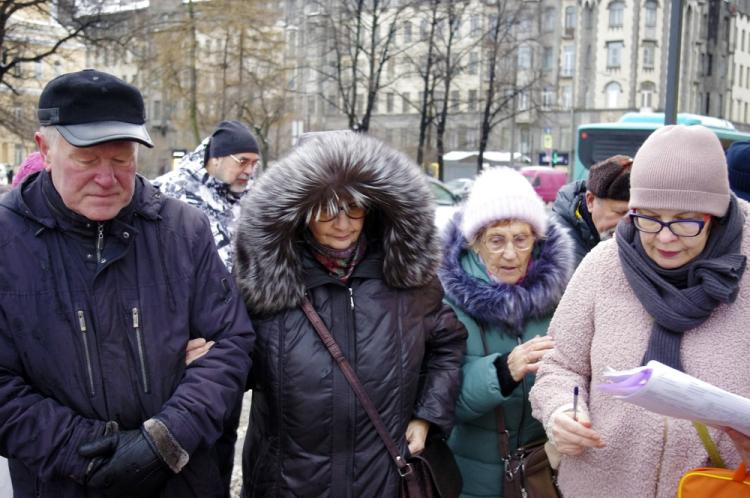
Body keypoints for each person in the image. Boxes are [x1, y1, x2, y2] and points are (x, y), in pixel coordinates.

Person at [0, 69, 255, 497]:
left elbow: (232, 344)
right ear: (44, 150)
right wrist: (78, 450)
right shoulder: (6, 241)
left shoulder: (183, 230)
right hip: (60, 484)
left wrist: (164, 441)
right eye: (86, 160)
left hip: (181, 482)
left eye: (122, 160)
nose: (107, 178)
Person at [234, 131, 467, 497]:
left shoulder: (405, 278)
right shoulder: (266, 284)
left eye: (353, 207)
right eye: (327, 210)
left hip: (382, 478)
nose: (343, 224)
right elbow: (236, 364)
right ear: (301, 211)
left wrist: (427, 417)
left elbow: (447, 345)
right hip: (288, 483)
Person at [530, 125, 750, 498]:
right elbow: (559, 364)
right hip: (599, 486)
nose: (664, 236)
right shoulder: (604, 264)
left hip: (714, 487)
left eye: (685, 221)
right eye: (648, 217)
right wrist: (560, 413)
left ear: (716, 215)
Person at [438, 167, 574, 498]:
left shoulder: (563, 294)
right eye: (496, 241)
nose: (511, 254)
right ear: (474, 243)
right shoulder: (447, 301)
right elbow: (442, 399)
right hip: (471, 481)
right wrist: (502, 371)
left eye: (521, 239)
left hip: (542, 473)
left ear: (536, 240)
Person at [153, 120, 260, 271]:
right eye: (243, 161)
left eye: (254, 164)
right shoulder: (168, 191)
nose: (249, 170)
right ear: (217, 158)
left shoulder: (254, 198)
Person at [551, 155, 631, 266]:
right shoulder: (557, 247)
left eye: (635, 214)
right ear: (590, 201)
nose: (628, 224)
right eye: (620, 212)